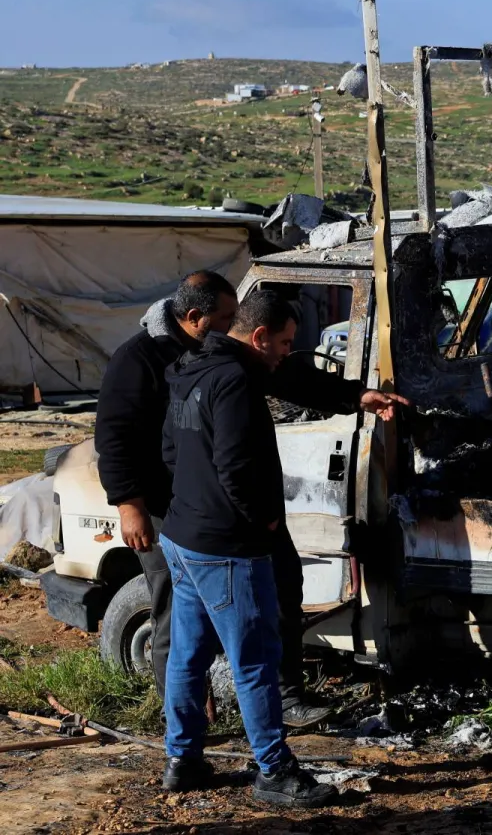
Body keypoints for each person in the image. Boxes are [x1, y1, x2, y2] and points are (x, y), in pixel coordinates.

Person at [95, 271, 406, 728]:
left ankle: (286, 699)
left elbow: (288, 375)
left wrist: (356, 396)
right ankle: (185, 719)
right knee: (176, 613)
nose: (233, 324)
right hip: (173, 512)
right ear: (195, 317)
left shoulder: (228, 354)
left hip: (237, 510)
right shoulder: (140, 360)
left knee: (282, 589)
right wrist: (129, 504)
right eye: (225, 317)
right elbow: (115, 436)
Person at [159, 291, 333, 805]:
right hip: (227, 546)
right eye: (282, 343)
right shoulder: (236, 382)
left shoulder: (190, 366)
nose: (285, 353)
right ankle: (273, 770)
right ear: (258, 337)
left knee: (187, 657)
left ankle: (183, 759)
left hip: (183, 535)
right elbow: (236, 466)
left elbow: (171, 449)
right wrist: (265, 520)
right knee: (255, 659)